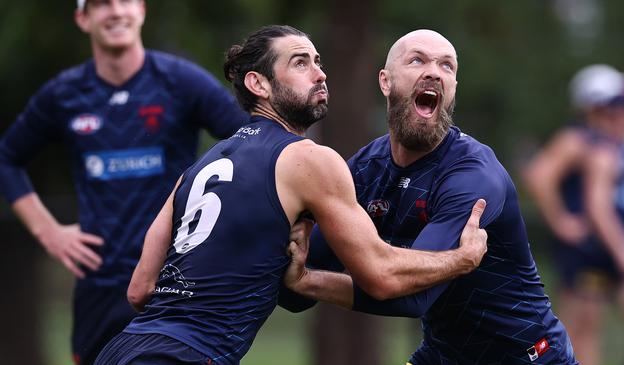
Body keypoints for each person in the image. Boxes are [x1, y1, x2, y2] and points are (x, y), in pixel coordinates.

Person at [93, 24, 489, 365]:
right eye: (300, 63)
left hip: (122, 348)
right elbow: (381, 275)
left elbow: (140, 289)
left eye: (318, 61)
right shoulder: (308, 158)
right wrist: (461, 259)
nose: (320, 74)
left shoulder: (196, 169)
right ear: (258, 84)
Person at [279, 29, 578, 364]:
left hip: (528, 356)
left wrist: (310, 283)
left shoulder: (472, 175)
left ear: (452, 91)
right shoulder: (365, 170)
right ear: (386, 81)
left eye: (447, 66)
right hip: (444, 355)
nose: (434, 72)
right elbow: (297, 282)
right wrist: (289, 264)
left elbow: (412, 298)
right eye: (417, 60)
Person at [0, 0, 251, 364]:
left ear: (142, 10)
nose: (116, 11)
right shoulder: (64, 94)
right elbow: (7, 158)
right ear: (82, 18)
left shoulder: (183, 82)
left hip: (174, 282)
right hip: (98, 287)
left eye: (125, 1)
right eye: (102, 4)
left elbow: (249, 142)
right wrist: (48, 232)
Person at [524, 65, 624, 365]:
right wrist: (561, 220)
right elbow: (539, 175)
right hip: (588, 249)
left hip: (612, 244)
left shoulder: (615, 139)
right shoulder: (579, 139)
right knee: (581, 331)